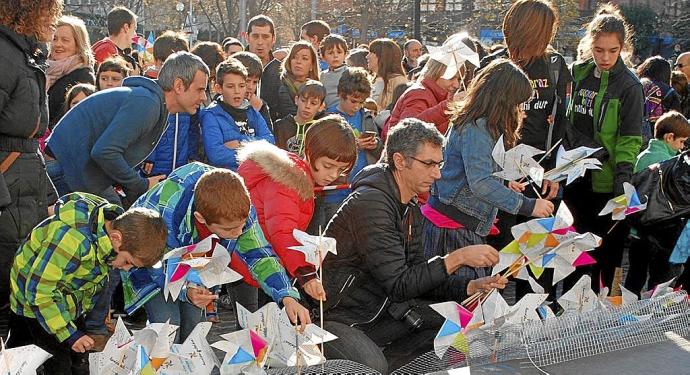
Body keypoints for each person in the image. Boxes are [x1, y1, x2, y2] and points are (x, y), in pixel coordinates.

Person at [321, 119, 508, 373]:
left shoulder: (409, 206)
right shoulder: (372, 204)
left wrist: (468, 286)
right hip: (340, 317)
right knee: (372, 367)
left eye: (439, 164)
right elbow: (400, 285)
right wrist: (458, 258)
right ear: (400, 161)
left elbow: (418, 274)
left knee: (460, 332)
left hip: (381, 309)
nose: (438, 174)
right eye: (429, 164)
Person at [129, 163, 311, 342]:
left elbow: (260, 255)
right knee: (167, 325)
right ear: (200, 218)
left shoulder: (238, 206)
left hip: (194, 260)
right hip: (148, 259)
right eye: (231, 229)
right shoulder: (168, 211)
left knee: (194, 327)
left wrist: (286, 296)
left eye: (242, 225)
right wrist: (185, 290)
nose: (239, 233)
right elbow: (155, 264)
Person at [424, 59, 554, 289]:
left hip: (461, 218)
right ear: (503, 100)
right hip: (456, 223)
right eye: (517, 104)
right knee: (466, 297)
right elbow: (480, 183)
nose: (519, 111)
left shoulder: (480, 124)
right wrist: (528, 205)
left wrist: (503, 182)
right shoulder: (477, 127)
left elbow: (478, 171)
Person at [7, 192, 167, 374]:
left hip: (64, 301)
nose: (126, 269)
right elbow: (39, 292)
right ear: (116, 238)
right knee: (56, 363)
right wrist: (70, 334)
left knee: (76, 358)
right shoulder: (71, 240)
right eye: (127, 262)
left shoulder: (111, 232)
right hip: (35, 304)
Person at [478, 0, 571, 298]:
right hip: (499, 176)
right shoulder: (493, 65)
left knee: (538, 261)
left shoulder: (556, 66)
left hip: (540, 175)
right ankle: (488, 324)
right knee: (497, 258)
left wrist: (557, 173)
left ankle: (532, 323)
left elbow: (564, 125)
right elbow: (477, 124)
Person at [46, 51, 209, 203]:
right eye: (200, 90)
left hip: (75, 171)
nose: (203, 97)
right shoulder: (147, 104)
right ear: (179, 86)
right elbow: (104, 152)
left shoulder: (152, 102)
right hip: (64, 170)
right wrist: (141, 184)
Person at [563, 4, 643, 292]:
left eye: (613, 50)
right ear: (589, 45)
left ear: (623, 47)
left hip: (607, 182)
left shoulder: (630, 85)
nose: (605, 57)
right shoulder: (578, 73)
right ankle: (572, 311)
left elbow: (630, 138)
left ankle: (600, 314)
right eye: (599, 50)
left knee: (606, 254)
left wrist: (622, 178)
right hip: (575, 175)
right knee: (574, 251)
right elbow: (566, 119)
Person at [238, 116, 356, 303]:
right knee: (256, 325)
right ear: (309, 151)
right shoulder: (288, 182)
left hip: (262, 258)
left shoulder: (298, 177)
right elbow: (282, 230)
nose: (333, 175)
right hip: (252, 260)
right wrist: (306, 273)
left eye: (341, 170)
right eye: (328, 166)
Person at [0, 0, 62, 309]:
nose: (55, 20)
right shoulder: (6, 55)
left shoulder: (22, 55)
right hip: (9, 192)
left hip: (22, 187)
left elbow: (28, 142)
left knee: (17, 291)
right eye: (50, 11)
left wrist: (47, 194)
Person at [625, 111, 690, 296]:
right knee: (659, 281)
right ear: (670, 137)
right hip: (659, 233)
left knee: (634, 277)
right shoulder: (668, 163)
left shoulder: (643, 156)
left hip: (637, 232)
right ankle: (652, 319)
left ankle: (625, 315)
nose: (681, 148)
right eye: (681, 142)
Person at [314, 67, 382, 232]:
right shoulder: (329, 118)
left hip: (361, 189)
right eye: (353, 101)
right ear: (340, 94)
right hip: (334, 193)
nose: (357, 107)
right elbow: (325, 150)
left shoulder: (366, 116)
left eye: (361, 102)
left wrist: (375, 144)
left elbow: (380, 148)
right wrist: (354, 145)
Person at [384, 33, 476, 140]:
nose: (456, 84)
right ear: (436, 73)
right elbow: (408, 131)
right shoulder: (418, 94)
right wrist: (447, 106)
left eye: (459, 79)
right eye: (451, 77)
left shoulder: (442, 96)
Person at [200, 58, 274, 171]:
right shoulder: (211, 115)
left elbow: (270, 142)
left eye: (241, 86)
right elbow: (216, 155)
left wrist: (240, 143)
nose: (237, 91)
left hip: (253, 177)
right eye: (230, 86)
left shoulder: (251, 111)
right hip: (227, 179)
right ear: (219, 88)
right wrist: (258, 153)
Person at [139, 32, 196, 178]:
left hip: (180, 163)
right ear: (157, 62)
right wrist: (148, 155)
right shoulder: (149, 92)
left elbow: (191, 129)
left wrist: (191, 154)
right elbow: (145, 129)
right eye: (165, 64)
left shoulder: (187, 94)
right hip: (154, 165)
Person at [46, 15, 95, 128]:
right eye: (54, 38)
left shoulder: (84, 76)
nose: (58, 44)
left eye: (65, 40)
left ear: (78, 45)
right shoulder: (42, 69)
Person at [273, 80, 326, 154]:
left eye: (313, 103)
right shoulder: (280, 126)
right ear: (296, 100)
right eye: (303, 100)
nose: (307, 106)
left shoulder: (321, 130)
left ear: (321, 107)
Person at [638, 56, 682, 143]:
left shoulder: (637, 85)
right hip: (659, 138)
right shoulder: (670, 92)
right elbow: (676, 120)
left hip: (633, 132)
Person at [274, 41, 321, 120]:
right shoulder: (281, 84)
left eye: (304, 58)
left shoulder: (319, 87)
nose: (298, 62)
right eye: (294, 57)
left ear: (312, 66)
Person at [247, 15, 282, 121]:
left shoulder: (281, 70)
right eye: (255, 36)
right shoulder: (235, 66)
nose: (260, 42)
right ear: (247, 37)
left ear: (273, 38)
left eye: (265, 37)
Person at [233, 51, 274, 130]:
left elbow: (269, 137)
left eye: (255, 82)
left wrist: (257, 111)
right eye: (247, 81)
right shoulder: (221, 103)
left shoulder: (259, 105)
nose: (251, 87)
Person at [368, 38, 408, 110]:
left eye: (371, 52)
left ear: (383, 56)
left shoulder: (398, 82)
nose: (367, 56)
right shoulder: (372, 79)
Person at [320, 34, 349, 108]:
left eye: (339, 52)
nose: (335, 56)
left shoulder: (350, 74)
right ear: (323, 57)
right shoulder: (322, 76)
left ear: (345, 54)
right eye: (330, 53)